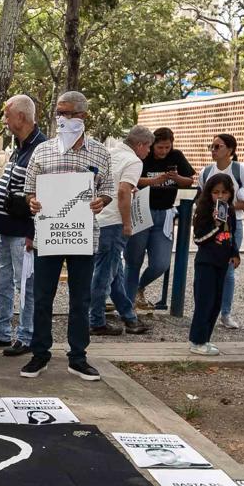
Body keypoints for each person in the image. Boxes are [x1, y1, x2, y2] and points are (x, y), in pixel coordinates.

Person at [21, 91, 116, 382]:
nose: (63, 118)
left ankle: (78, 357)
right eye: (59, 113)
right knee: (42, 296)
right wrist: (33, 202)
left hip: (82, 235)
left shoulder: (100, 152)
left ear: (83, 116)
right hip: (49, 235)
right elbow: (29, 191)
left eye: (69, 113)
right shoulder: (43, 150)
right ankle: (40, 354)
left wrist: (102, 201)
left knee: (81, 299)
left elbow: (108, 190)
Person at [0, 95, 46, 357]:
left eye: (7, 114)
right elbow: (7, 187)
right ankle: (2, 331)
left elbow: (41, 194)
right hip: (6, 228)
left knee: (24, 284)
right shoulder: (20, 146)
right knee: (1, 281)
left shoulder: (40, 147)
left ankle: (26, 335)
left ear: (21, 116)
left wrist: (32, 231)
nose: (5, 120)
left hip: (22, 230)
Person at [90, 127, 150, 338]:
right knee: (105, 274)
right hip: (114, 220)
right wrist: (127, 224)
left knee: (115, 273)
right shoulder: (134, 162)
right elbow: (123, 191)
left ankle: (128, 316)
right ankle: (96, 320)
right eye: (148, 147)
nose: (148, 152)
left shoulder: (109, 153)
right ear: (141, 145)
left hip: (98, 217)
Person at [198, 133, 244, 331]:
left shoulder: (240, 170)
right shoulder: (206, 172)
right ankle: (205, 311)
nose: (214, 150)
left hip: (234, 224)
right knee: (207, 266)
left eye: (218, 146)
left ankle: (225, 312)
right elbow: (202, 200)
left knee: (228, 268)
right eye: (212, 147)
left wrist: (229, 207)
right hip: (210, 225)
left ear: (230, 150)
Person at [134, 128, 197, 311]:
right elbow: (134, 180)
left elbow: (189, 180)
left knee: (161, 262)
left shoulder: (176, 156)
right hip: (142, 211)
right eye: (160, 147)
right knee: (134, 259)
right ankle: (127, 295)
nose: (163, 151)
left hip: (165, 213)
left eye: (167, 147)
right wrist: (155, 180)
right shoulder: (144, 157)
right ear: (152, 145)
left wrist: (176, 177)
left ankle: (139, 286)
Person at [186, 170, 242, 355]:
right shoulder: (204, 212)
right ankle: (196, 340)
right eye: (216, 192)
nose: (220, 196)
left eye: (224, 192)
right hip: (206, 262)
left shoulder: (230, 212)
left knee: (217, 302)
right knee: (205, 301)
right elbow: (199, 239)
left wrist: (235, 254)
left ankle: (205, 339)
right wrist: (215, 225)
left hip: (222, 263)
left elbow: (231, 235)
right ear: (209, 193)